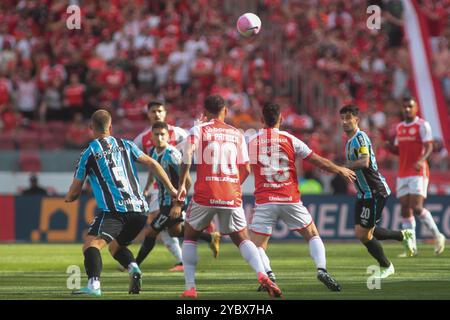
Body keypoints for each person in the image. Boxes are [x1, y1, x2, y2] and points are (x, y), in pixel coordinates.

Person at [177, 95, 282, 298]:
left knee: (190, 237)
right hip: (230, 194)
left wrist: (182, 184)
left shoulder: (198, 129)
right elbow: (247, 168)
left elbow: (187, 155)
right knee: (243, 239)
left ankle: (190, 288)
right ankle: (263, 274)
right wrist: (232, 185)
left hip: (205, 194)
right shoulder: (236, 133)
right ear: (224, 111)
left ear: (205, 113)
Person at [65, 109, 177, 297]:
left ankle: (94, 286)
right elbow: (153, 164)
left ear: (91, 128)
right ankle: (133, 268)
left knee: (92, 246)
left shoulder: (88, 152)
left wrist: (69, 198)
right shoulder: (126, 144)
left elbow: (75, 191)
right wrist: (173, 189)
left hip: (114, 210)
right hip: (140, 210)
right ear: (110, 127)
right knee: (115, 246)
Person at [247, 103, 355, 293]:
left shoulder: (251, 141)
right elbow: (318, 161)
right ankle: (321, 270)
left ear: (262, 120)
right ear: (281, 119)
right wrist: (339, 169)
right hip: (289, 198)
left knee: (257, 246)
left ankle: (269, 275)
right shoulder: (290, 139)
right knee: (312, 234)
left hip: (265, 200)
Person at [134, 101, 220, 272]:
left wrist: (178, 203)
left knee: (151, 232)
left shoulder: (173, 153)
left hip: (172, 201)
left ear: (168, 135)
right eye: (156, 135)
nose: (159, 137)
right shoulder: (151, 149)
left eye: (162, 135)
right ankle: (209, 237)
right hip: (162, 197)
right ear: (151, 136)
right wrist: (146, 188)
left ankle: (134, 265)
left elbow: (187, 181)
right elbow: (153, 170)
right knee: (174, 231)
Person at [340, 104, 414, 279]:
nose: (344, 121)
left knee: (365, 233)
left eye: (348, 118)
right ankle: (403, 235)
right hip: (363, 193)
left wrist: (341, 167)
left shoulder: (360, 138)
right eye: (342, 118)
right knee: (364, 231)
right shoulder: (350, 142)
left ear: (356, 120)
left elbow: (364, 162)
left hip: (374, 191)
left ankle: (387, 266)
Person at [385, 97, 446, 256]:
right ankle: (411, 248)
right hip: (403, 172)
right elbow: (399, 150)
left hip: (418, 172)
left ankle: (438, 235)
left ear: (416, 108)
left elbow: (429, 146)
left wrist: (421, 160)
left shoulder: (422, 125)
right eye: (404, 107)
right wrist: (389, 147)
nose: (407, 109)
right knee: (405, 209)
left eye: (410, 107)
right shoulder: (399, 127)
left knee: (416, 207)